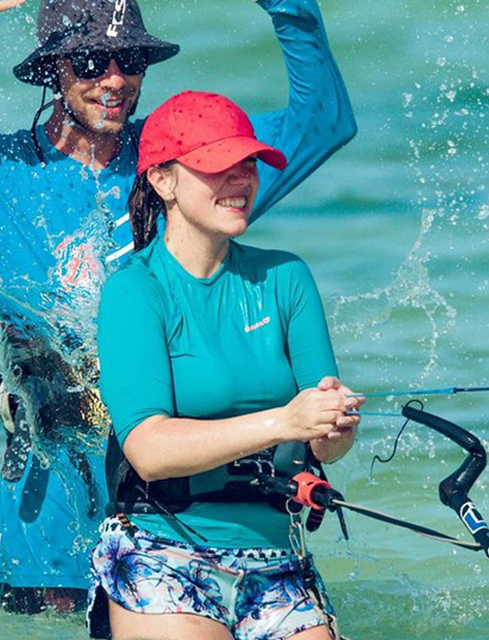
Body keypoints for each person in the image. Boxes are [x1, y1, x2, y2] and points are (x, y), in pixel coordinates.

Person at [0, 0, 355, 613]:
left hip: (185, 511)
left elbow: (322, 123)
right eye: (89, 62)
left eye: (130, 61)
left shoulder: (185, 165)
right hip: (52, 510)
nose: (114, 80)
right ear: (51, 70)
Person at [92, 90, 365, 640]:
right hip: (162, 549)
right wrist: (285, 422)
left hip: (279, 556)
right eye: (218, 166)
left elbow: (324, 444)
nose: (240, 179)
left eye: (248, 165)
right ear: (163, 181)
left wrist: (333, 428)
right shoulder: (134, 292)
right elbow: (148, 450)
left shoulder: (287, 278)